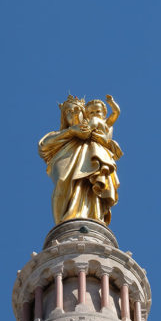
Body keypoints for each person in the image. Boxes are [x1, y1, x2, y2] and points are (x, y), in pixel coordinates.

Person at [38, 95, 120, 225]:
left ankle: (93, 218)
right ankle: (61, 224)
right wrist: (71, 132)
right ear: (64, 117)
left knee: (90, 186)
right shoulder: (59, 135)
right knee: (62, 181)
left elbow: (111, 121)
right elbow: (43, 146)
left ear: (84, 114)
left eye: (77, 110)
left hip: (92, 158)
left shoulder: (93, 130)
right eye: (69, 112)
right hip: (65, 159)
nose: (73, 114)